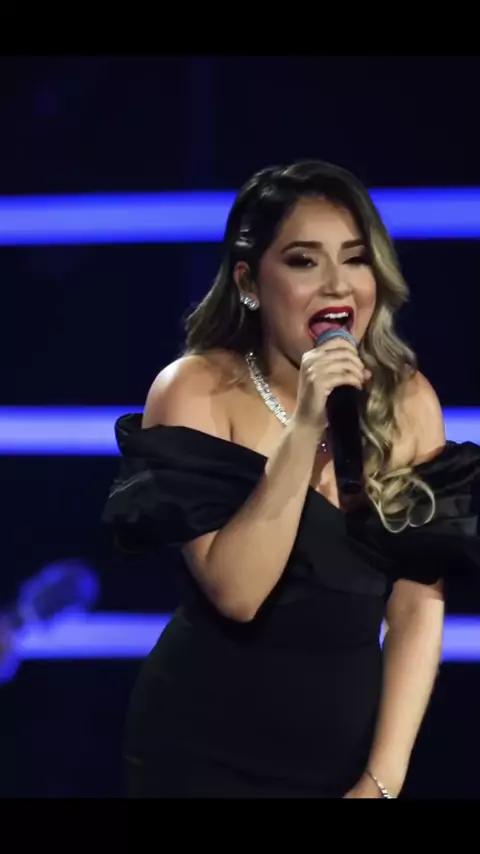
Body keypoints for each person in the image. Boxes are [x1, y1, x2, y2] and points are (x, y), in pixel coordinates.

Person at [103, 160, 480, 799]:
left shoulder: (409, 401)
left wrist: (383, 779)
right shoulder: (195, 389)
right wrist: (306, 424)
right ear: (249, 282)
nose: (337, 284)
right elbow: (238, 592)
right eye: (304, 261)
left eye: (355, 259)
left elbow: (418, 605)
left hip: (346, 761)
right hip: (199, 757)